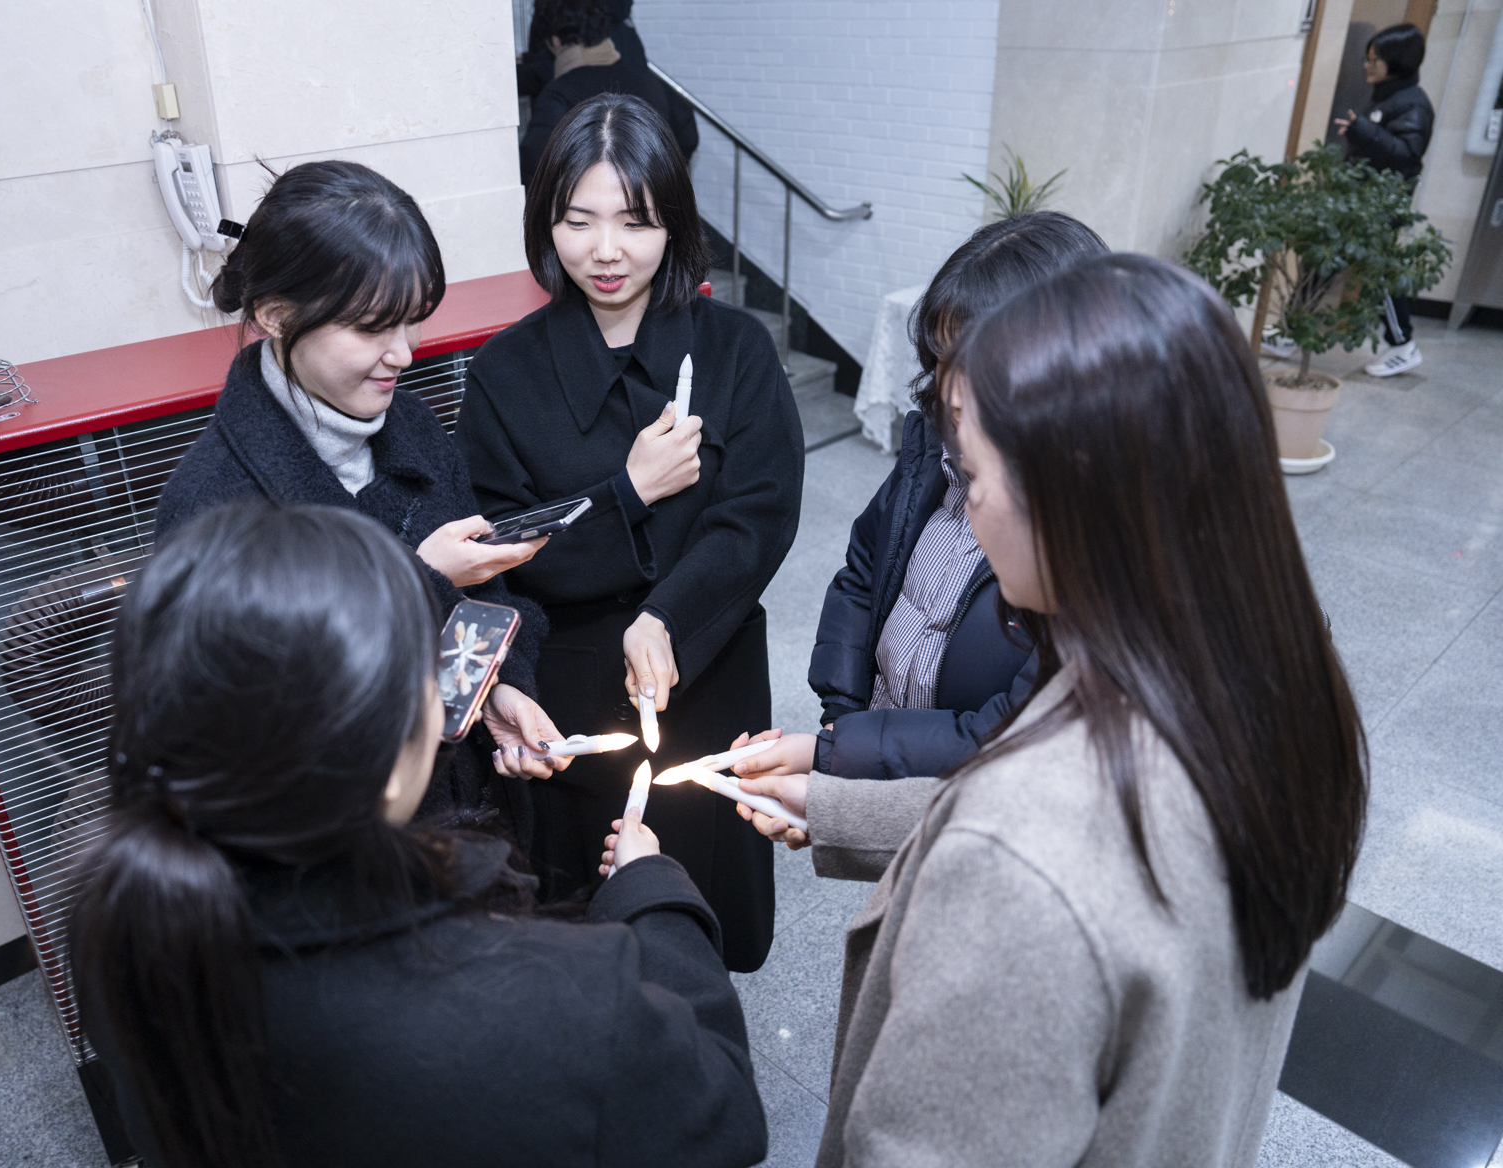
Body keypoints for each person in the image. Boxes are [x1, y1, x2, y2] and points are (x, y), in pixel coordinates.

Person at [734, 255, 1367, 1167]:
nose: (966, 504)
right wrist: (830, 802)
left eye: (976, 471)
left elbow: (1026, 850)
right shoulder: (1270, 679)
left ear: (1072, 495)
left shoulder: (1020, 863)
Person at [69, 503, 767, 1168]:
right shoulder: (547, 995)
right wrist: (654, 898)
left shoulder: (121, 921)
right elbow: (721, 1109)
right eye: (430, 672)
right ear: (383, 752)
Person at [458, 93, 804, 972]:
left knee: (702, 909)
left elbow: (758, 516)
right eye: (578, 221)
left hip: (708, 670)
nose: (605, 250)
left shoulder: (735, 350)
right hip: (570, 689)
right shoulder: (504, 372)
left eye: (635, 222)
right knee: (581, 931)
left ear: (673, 224)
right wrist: (628, 493)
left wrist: (667, 616)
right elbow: (502, 552)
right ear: (547, 222)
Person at [154, 160, 566, 847]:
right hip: (338, 854)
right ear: (276, 316)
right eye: (373, 328)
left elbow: (485, 600)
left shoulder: (413, 427)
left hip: (473, 823)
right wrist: (414, 579)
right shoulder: (212, 505)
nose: (403, 354)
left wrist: (499, 687)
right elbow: (247, 737)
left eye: (413, 321)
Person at [734, 212, 1107, 785]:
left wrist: (835, 757)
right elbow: (864, 571)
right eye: (944, 360)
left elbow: (1008, 735)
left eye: (978, 366)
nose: (952, 394)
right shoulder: (934, 444)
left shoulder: (1081, 544)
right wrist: (842, 722)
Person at [1336, 22, 1434, 377]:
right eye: (1368, 58)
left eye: (1375, 60)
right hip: (1361, 199)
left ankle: (1403, 345)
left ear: (1397, 62)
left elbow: (1406, 156)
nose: (1367, 65)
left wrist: (1363, 132)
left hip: (1380, 204)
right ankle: (1288, 332)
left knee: (1378, 271)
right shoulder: (1388, 95)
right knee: (1323, 256)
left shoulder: (1414, 105)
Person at [519, 0, 699, 186]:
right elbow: (688, 136)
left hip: (591, 200)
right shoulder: (648, 81)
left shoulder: (558, 94)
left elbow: (535, 170)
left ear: (555, 40)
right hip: (646, 197)